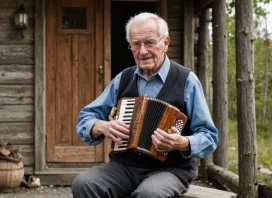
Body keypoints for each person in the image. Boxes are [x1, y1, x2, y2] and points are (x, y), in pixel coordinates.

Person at [72, 12, 218, 198]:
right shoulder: (123, 78)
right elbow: (86, 117)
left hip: (170, 170)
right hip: (124, 167)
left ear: (165, 43)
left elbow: (210, 136)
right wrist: (102, 126)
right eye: (136, 44)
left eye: (149, 42)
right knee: (83, 184)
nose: (142, 51)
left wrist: (183, 142)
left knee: (149, 194)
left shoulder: (187, 80)